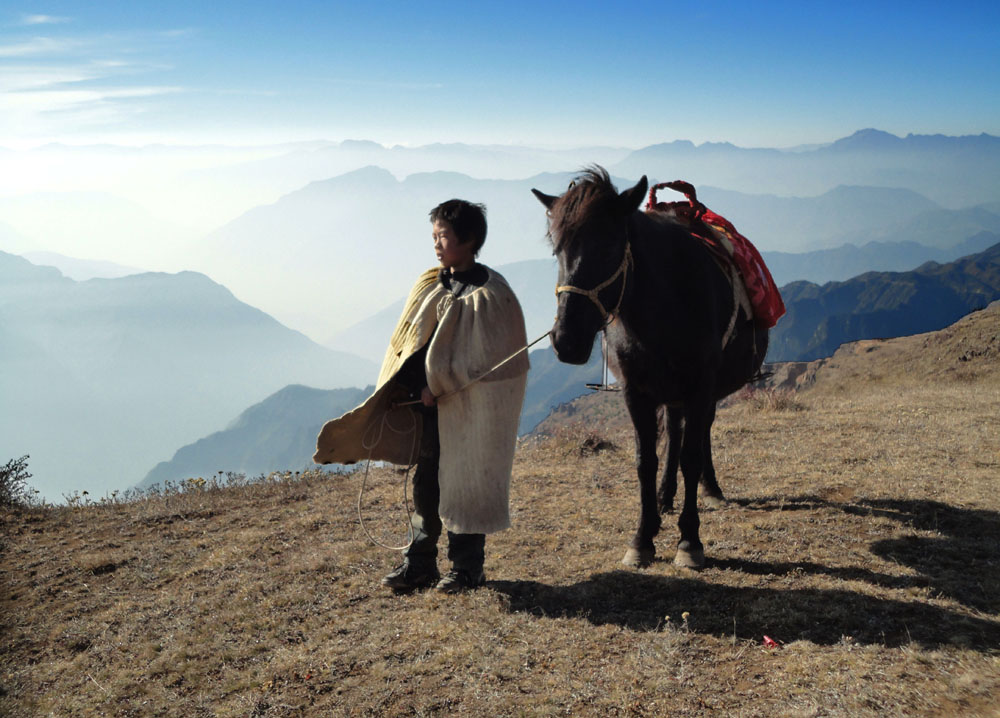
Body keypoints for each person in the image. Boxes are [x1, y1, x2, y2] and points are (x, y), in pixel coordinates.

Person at [314, 199, 529, 593]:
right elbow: (409, 342)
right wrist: (409, 387)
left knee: (466, 485)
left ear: (469, 240)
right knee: (426, 485)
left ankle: (467, 568)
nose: (436, 245)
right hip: (427, 411)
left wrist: (442, 386)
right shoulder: (430, 284)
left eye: (443, 236)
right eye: (434, 236)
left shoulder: (493, 297)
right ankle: (419, 564)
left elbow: (494, 364)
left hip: (471, 417)